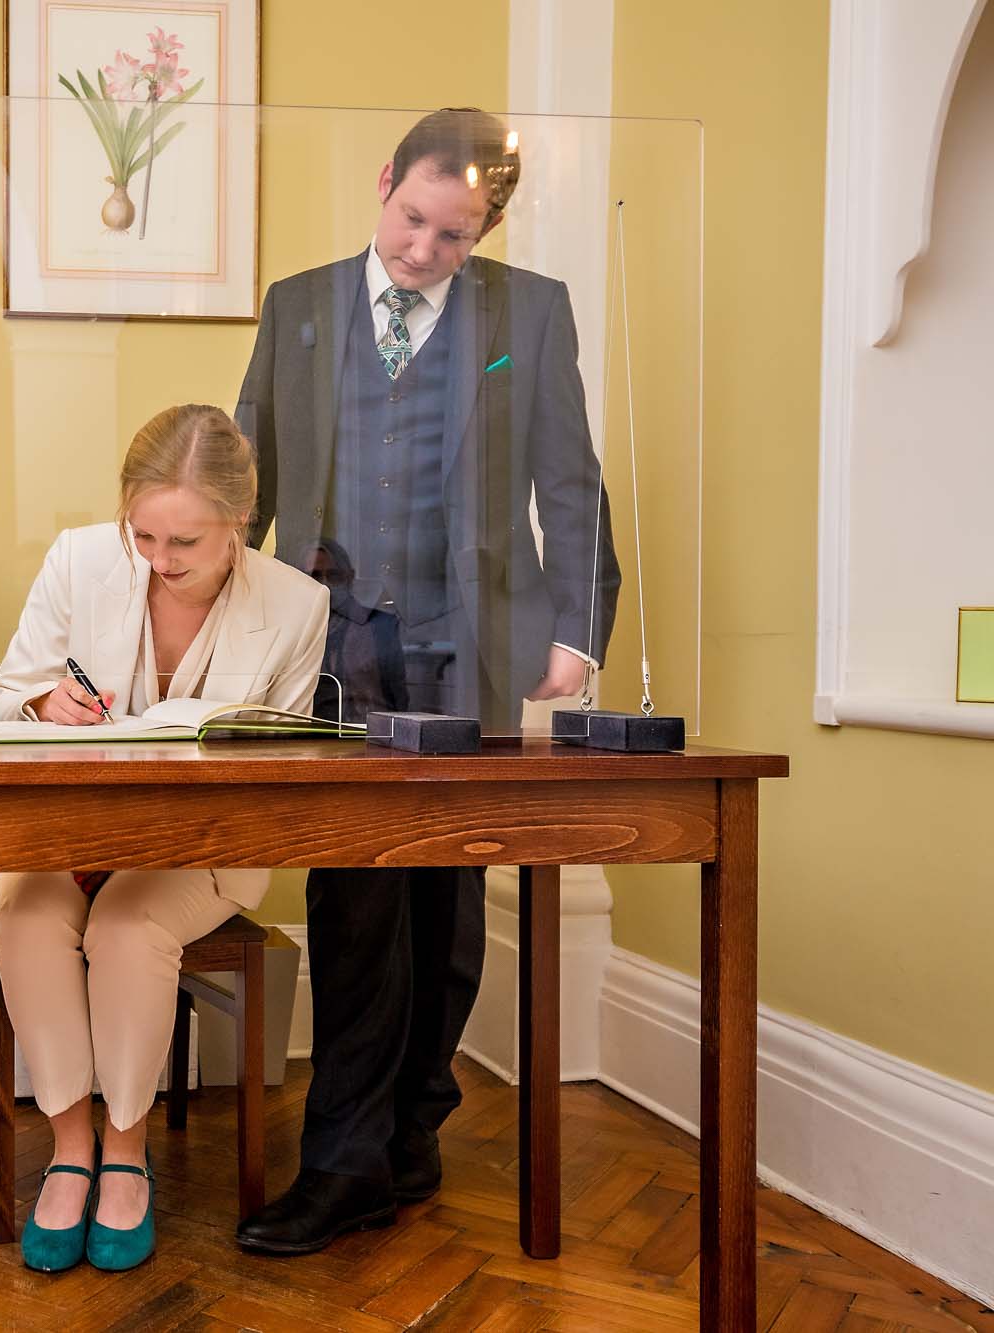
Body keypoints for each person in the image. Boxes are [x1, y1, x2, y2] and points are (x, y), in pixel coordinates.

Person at [232, 109, 620, 1254]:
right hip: (334, 638)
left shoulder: (527, 310)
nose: (421, 253)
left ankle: (410, 1127)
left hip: (468, 640)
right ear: (383, 181)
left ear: (483, 225)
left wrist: (577, 631)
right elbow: (245, 477)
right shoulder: (296, 306)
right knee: (355, 902)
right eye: (411, 221)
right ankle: (342, 1163)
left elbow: (570, 478)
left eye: (453, 237)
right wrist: (198, 625)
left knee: (448, 912)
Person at [0, 404, 331, 1273]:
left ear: (239, 523)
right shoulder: (78, 559)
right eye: (144, 536)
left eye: (188, 544)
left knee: (127, 928)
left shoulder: (297, 605)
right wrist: (41, 703)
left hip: (199, 847)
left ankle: (126, 1154)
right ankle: (71, 1148)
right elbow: (5, 694)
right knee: (24, 921)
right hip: (65, 828)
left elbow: (281, 761)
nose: (161, 562)